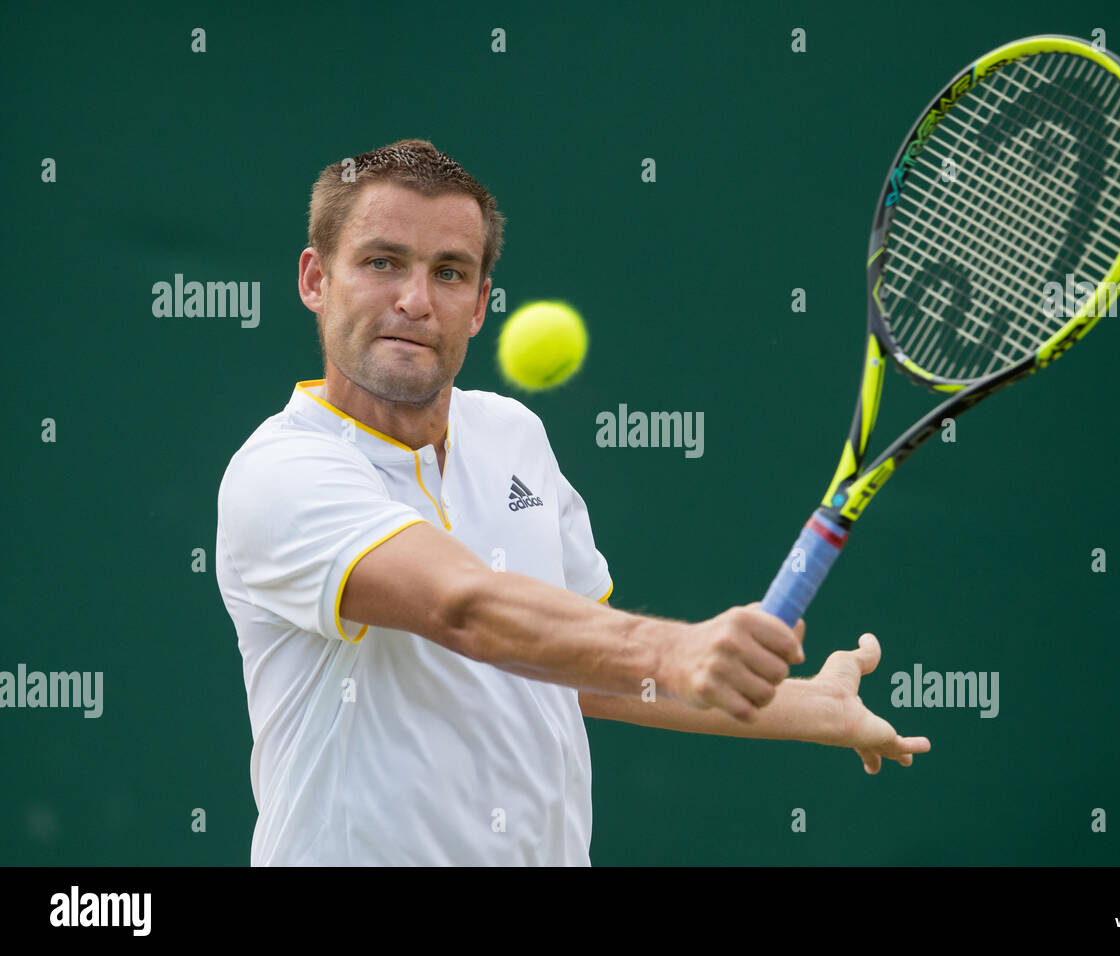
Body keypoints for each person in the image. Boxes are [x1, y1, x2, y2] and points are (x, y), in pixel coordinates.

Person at [215, 138, 929, 866]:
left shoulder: (512, 434)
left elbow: (581, 665)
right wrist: (680, 648)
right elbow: (463, 607)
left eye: (450, 272)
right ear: (315, 279)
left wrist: (810, 708)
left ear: (480, 306)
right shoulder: (281, 472)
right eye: (382, 262)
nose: (416, 300)